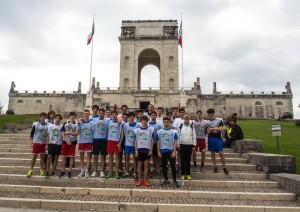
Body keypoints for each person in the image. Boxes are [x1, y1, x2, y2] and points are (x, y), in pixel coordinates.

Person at [157, 117, 179, 188]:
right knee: (164, 166)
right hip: (163, 151)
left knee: (173, 166)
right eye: (165, 122)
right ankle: (166, 179)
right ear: (163, 123)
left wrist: (174, 151)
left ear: (169, 122)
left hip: (171, 151)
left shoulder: (173, 131)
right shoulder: (159, 132)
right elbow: (158, 142)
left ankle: (174, 180)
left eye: (167, 122)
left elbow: (175, 141)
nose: (166, 123)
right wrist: (158, 151)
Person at [206, 108, 229, 175]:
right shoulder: (207, 122)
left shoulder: (219, 120)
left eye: (210, 113)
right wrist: (214, 129)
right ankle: (215, 166)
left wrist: (211, 129)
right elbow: (208, 131)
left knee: (221, 152)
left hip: (218, 138)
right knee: (212, 153)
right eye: (208, 114)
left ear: (213, 113)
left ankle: (224, 167)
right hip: (211, 138)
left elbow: (220, 129)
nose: (209, 115)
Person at [27, 112, 48, 177]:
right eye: (42, 117)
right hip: (36, 142)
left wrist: (47, 144)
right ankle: (31, 169)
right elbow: (31, 134)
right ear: (40, 117)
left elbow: (48, 135)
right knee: (34, 157)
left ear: (45, 118)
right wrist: (31, 143)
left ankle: (41, 169)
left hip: (43, 143)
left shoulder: (47, 125)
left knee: (42, 157)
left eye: (44, 117)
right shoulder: (35, 124)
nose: (43, 118)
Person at [120, 112, 141, 179]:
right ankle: (127, 172)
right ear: (128, 117)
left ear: (134, 117)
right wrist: (120, 143)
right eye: (130, 116)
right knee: (127, 159)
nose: (131, 117)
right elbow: (123, 134)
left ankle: (135, 172)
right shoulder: (125, 125)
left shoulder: (138, 125)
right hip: (127, 144)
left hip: (134, 145)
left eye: (132, 116)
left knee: (135, 159)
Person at [134, 115, 154, 186]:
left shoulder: (151, 130)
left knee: (146, 165)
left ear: (147, 121)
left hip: (147, 149)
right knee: (139, 165)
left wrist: (151, 150)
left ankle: (145, 180)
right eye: (143, 120)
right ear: (141, 121)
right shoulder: (137, 130)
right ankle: (139, 180)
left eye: (145, 120)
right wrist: (136, 150)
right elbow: (136, 140)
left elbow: (152, 140)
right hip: (139, 149)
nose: (144, 121)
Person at [59, 111, 79, 178]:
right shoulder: (66, 123)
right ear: (69, 116)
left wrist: (70, 133)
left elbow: (77, 133)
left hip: (73, 142)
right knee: (63, 156)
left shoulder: (77, 123)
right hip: (65, 141)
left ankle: (70, 170)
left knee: (71, 156)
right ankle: (63, 170)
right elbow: (62, 133)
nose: (72, 117)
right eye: (71, 116)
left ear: (75, 116)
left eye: (73, 116)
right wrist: (66, 140)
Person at [91, 108, 109, 178]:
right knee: (95, 156)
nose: (101, 114)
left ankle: (102, 171)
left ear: (104, 114)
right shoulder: (94, 120)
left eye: (103, 113)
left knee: (103, 156)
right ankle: (95, 170)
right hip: (96, 140)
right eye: (100, 113)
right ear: (98, 113)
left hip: (104, 140)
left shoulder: (107, 121)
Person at [177, 114, 196, 180]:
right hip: (182, 144)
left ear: (189, 119)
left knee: (188, 160)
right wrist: (178, 144)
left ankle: (188, 174)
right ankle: (182, 174)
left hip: (189, 144)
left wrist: (194, 145)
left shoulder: (191, 125)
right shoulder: (181, 125)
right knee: (182, 160)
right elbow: (178, 135)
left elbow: (194, 135)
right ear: (183, 119)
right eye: (185, 118)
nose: (186, 119)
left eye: (187, 118)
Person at [77, 109, 94, 178]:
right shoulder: (80, 123)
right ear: (83, 114)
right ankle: (82, 170)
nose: (86, 115)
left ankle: (86, 170)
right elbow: (77, 131)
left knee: (88, 157)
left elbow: (93, 132)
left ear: (89, 114)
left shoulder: (92, 123)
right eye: (85, 113)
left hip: (89, 141)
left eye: (87, 113)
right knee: (81, 157)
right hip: (82, 141)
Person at [106, 110, 122, 179]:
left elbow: (122, 132)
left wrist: (120, 142)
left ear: (117, 115)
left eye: (115, 114)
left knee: (117, 158)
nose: (114, 115)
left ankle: (116, 172)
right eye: (113, 114)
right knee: (110, 157)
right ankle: (110, 172)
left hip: (116, 141)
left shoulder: (120, 122)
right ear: (111, 115)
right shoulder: (109, 122)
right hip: (110, 140)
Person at [148, 111, 163, 177]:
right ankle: (148, 171)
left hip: (156, 143)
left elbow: (160, 135)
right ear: (150, 116)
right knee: (148, 158)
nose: (153, 116)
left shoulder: (159, 125)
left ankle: (157, 170)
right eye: (152, 115)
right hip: (148, 143)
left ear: (156, 116)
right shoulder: (147, 124)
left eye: (154, 115)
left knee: (156, 158)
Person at [173, 107, 186, 173]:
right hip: (179, 139)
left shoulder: (186, 120)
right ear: (179, 113)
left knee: (185, 154)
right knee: (179, 153)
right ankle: (179, 166)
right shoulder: (176, 120)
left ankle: (184, 166)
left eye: (183, 112)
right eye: (180, 112)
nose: (182, 113)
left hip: (186, 139)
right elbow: (175, 129)